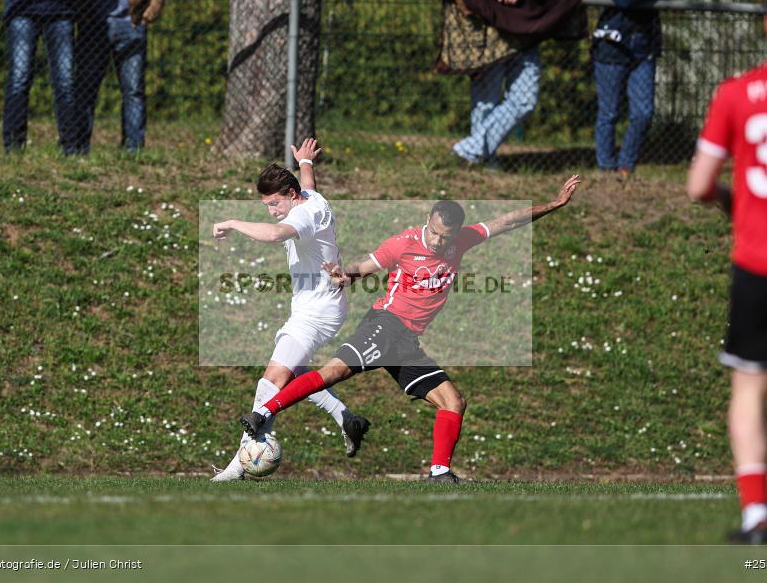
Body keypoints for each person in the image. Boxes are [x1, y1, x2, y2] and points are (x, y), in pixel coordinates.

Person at [239, 174, 581, 483]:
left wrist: (555, 203)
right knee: (333, 373)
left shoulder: (462, 240)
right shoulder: (404, 242)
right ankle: (263, 412)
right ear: (426, 222)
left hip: (406, 342)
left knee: (453, 401)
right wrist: (346, 275)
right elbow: (366, 265)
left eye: (443, 236)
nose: (435, 241)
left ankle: (439, 473)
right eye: (432, 231)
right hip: (385, 325)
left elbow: (508, 221)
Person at [686, 0, 767, 544]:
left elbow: (698, 186)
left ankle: (756, 520)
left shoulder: (740, 91)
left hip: (762, 261)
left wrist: (732, 202)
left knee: (750, 389)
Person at [210, 139, 371, 481]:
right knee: (294, 373)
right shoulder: (307, 197)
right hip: (316, 306)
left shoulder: (306, 213)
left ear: (289, 194)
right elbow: (308, 184)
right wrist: (305, 162)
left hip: (317, 311)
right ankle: (346, 418)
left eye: (274, 203)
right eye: (266, 205)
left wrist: (233, 223)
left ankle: (239, 465)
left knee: (270, 381)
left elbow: (273, 234)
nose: (271, 210)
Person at [451, 0, 569, 166]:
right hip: (491, 24)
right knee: (486, 99)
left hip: (527, 28)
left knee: (525, 99)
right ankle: (485, 160)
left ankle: (469, 150)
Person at [75, 0, 164, 153]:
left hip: (132, 23)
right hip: (93, 24)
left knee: (134, 91)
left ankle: (134, 149)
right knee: (86, 89)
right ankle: (78, 148)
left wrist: (147, 13)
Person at [592, 0, 668, 175]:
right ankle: (607, 168)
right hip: (611, 48)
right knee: (609, 113)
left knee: (643, 113)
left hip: (644, 48)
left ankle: (626, 166)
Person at [2, 0, 81, 155]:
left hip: (61, 8)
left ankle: (70, 148)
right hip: (22, 7)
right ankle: (13, 146)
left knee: (65, 82)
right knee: (19, 78)